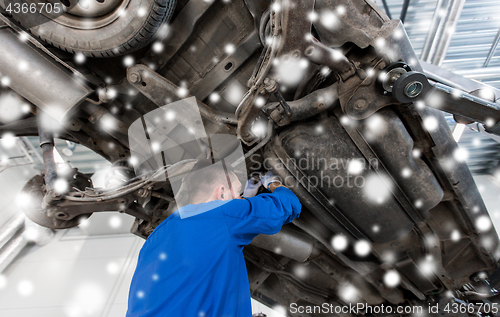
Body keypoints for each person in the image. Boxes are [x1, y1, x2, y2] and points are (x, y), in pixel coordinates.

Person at [126, 160, 301, 317]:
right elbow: (287, 205)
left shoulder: (155, 237)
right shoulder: (223, 215)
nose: (240, 198)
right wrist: (273, 183)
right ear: (222, 193)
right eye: (238, 193)